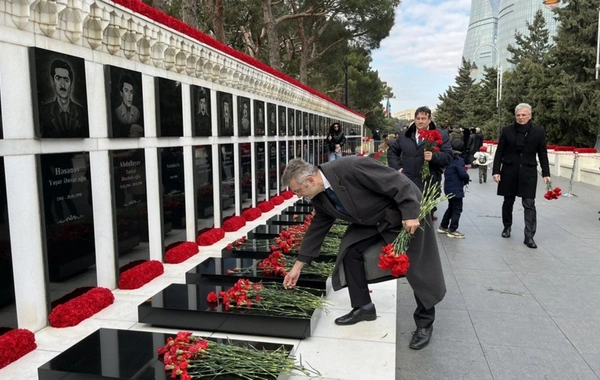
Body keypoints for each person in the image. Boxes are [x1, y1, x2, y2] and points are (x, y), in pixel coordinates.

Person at [282, 157, 446, 350]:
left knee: (419, 267)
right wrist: (297, 267)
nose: (299, 196)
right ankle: (363, 307)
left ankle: (424, 324)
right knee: (351, 250)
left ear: (310, 180)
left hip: (406, 213)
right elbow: (318, 227)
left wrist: (410, 213)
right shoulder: (320, 196)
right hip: (374, 220)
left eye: (298, 191)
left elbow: (397, 182)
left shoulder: (349, 167)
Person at [492, 103, 550, 249]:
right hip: (509, 170)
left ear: (530, 116)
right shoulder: (507, 131)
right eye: (518, 115)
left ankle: (529, 236)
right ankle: (507, 227)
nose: (520, 118)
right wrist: (496, 171)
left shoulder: (538, 132)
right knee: (508, 201)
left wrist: (546, 173)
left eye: (524, 115)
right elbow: (500, 151)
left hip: (528, 172)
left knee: (529, 204)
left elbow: (542, 153)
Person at [387, 106, 452, 192]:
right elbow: (392, 151)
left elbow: (448, 156)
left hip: (429, 184)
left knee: (427, 206)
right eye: (418, 118)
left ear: (429, 120)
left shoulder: (441, 135)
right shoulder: (404, 135)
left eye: (423, 118)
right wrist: (397, 168)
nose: (420, 121)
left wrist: (434, 156)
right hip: (407, 182)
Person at [39, 59, 87, 138]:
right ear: (53, 82)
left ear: (71, 85)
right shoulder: (44, 112)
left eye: (66, 80)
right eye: (58, 78)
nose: (62, 85)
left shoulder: (82, 113)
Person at [438, 140, 470, 239]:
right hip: (456, 188)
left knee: (451, 206)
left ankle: (443, 226)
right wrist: (467, 179)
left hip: (448, 187)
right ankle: (452, 229)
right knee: (457, 209)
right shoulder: (459, 160)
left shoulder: (447, 158)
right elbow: (462, 174)